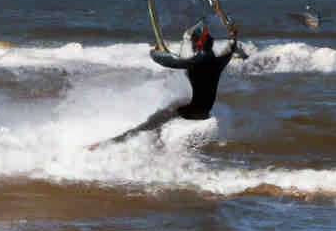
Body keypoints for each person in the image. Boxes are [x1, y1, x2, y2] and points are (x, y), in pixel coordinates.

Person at [89, 20, 241, 148]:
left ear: (199, 44)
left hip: (192, 111)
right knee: (172, 107)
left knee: (151, 122)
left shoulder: (197, 61)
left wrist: (154, 54)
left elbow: (171, 62)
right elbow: (230, 49)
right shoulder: (218, 61)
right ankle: (157, 141)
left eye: (195, 43)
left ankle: (114, 143)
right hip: (204, 111)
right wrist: (233, 36)